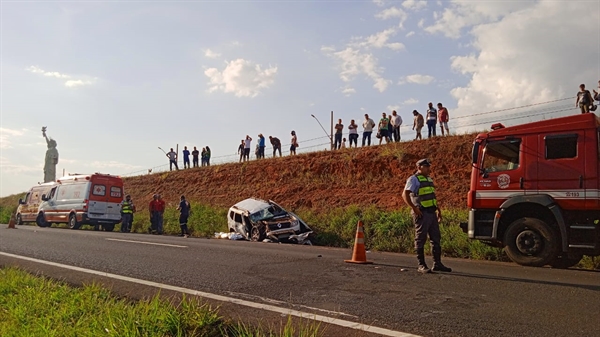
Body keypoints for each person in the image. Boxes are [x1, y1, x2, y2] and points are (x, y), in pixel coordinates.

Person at [402, 158, 452, 274]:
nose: (429, 168)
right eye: (427, 166)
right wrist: (414, 208)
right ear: (419, 167)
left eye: (429, 166)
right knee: (420, 239)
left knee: (436, 238)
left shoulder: (428, 179)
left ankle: (437, 264)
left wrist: (438, 210)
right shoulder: (413, 179)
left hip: (431, 213)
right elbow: (405, 194)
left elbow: (431, 196)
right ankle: (421, 265)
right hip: (422, 213)